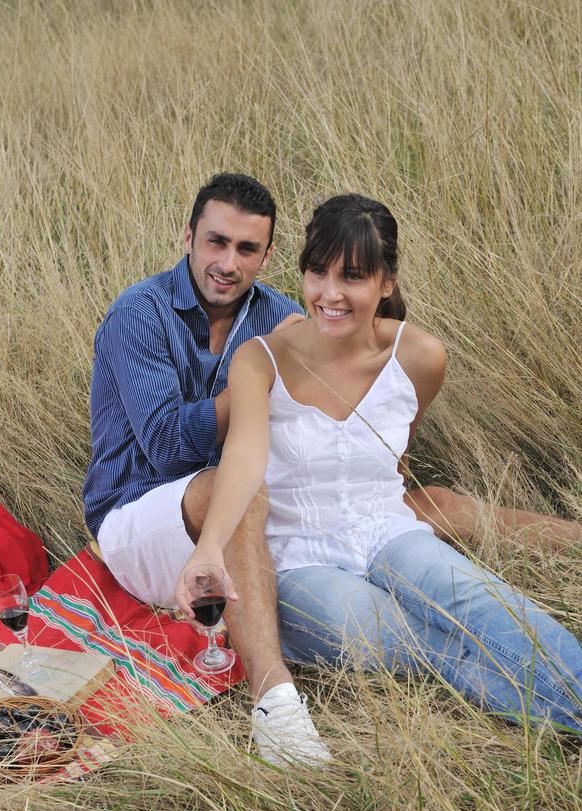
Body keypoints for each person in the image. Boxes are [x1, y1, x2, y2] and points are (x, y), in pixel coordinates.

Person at [84, 173, 580, 766]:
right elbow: (175, 449)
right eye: (215, 242)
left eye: (246, 249)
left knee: (472, 596)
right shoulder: (155, 316)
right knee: (380, 623)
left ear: (267, 256)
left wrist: (301, 351)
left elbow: (380, 450)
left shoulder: (298, 319)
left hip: (329, 521)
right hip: (156, 506)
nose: (227, 261)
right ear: (187, 236)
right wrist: (266, 373)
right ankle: (276, 707)